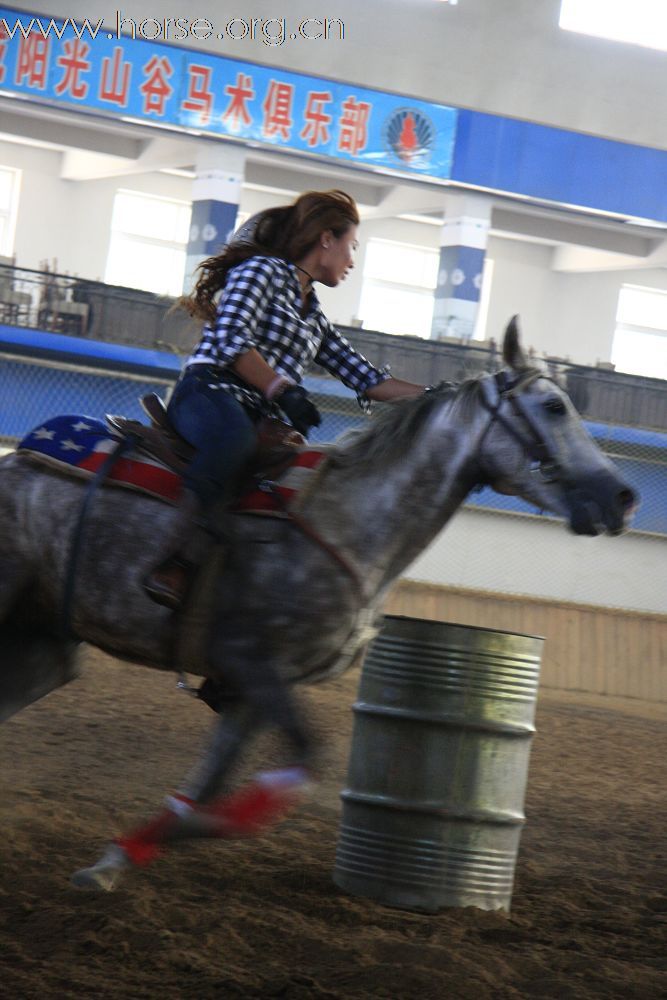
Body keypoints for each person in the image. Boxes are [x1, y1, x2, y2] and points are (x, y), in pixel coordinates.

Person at [144, 189, 425, 609]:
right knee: (233, 441)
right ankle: (173, 560)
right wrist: (282, 389)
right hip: (208, 392)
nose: (352, 260)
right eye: (352, 246)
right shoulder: (261, 271)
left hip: (259, 412)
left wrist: (443, 397)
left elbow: (368, 380)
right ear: (326, 239)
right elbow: (230, 338)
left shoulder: (315, 316)